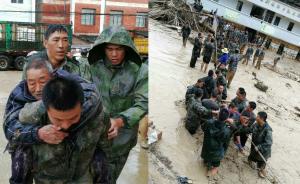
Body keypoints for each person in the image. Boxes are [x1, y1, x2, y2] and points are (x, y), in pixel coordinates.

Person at [3, 57, 110, 183]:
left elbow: (105, 147)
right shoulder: (23, 103)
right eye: (32, 83)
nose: (37, 89)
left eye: (42, 81)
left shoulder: (87, 100)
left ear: (53, 77)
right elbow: (9, 129)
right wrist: (38, 133)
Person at [88, 26, 148, 183]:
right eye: (109, 49)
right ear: (103, 48)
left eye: (119, 49)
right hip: (92, 139)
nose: (114, 54)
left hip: (121, 142)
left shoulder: (140, 71)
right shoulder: (91, 66)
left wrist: (119, 121)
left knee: (109, 178)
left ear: (127, 49)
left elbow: (142, 103)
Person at [22, 24, 91, 81]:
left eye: (65, 40)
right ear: (45, 43)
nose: (61, 45)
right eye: (56, 40)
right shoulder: (32, 64)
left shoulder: (75, 67)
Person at [201, 108, 231, 176]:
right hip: (216, 153)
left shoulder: (209, 122)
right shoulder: (226, 131)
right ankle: (211, 172)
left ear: (218, 115)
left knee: (206, 159)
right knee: (216, 165)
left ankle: (206, 162)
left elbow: (202, 128)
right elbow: (226, 144)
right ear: (226, 119)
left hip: (206, 148)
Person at [248, 111, 272, 178]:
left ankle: (261, 170)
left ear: (261, 118)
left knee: (261, 161)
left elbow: (268, 143)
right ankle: (250, 160)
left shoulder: (268, 130)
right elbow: (250, 130)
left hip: (263, 150)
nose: (256, 117)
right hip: (254, 145)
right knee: (252, 156)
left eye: (257, 116)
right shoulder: (256, 124)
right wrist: (247, 130)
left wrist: (259, 147)